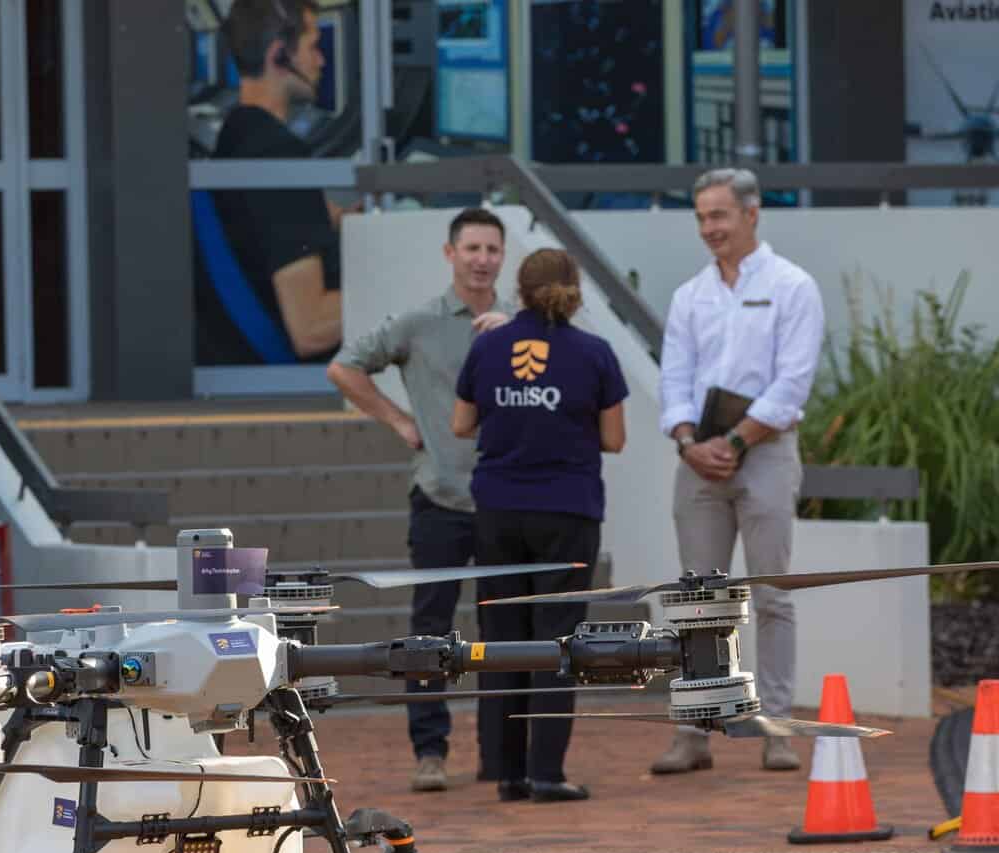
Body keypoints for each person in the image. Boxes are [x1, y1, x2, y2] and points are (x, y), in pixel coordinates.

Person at [327, 208, 509, 792]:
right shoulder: (420, 322)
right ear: (450, 253)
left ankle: (501, 755)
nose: (482, 259)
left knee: (504, 631)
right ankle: (430, 752)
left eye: (492, 249)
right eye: (472, 248)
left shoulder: (519, 323)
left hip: (507, 500)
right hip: (439, 495)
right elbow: (344, 367)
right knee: (430, 631)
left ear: (503, 257)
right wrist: (399, 420)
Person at [652, 166, 825, 776]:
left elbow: (792, 382)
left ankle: (776, 728)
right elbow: (674, 378)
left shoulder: (793, 286)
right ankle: (695, 733)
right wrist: (687, 442)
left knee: (773, 594)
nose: (709, 228)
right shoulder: (690, 295)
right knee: (698, 603)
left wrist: (734, 439)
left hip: (767, 453)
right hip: (698, 458)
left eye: (719, 215)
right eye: (701, 217)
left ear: (752, 213)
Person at [454, 249, 628, 803]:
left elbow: (461, 424)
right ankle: (547, 773)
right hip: (568, 509)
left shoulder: (488, 347)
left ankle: (506, 772)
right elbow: (614, 439)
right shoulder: (595, 353)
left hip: (498, 508)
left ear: (519, 290)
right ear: (575, 292)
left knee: (501, 638)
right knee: (557, 639)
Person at [195, 0, 342, 365]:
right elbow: (311, 329)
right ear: (279, 55)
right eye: (313, 47)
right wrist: (411, 286)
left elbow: (281, 218)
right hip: (301, 374)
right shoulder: (278, 155)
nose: (322, 61)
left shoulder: (239, 132)